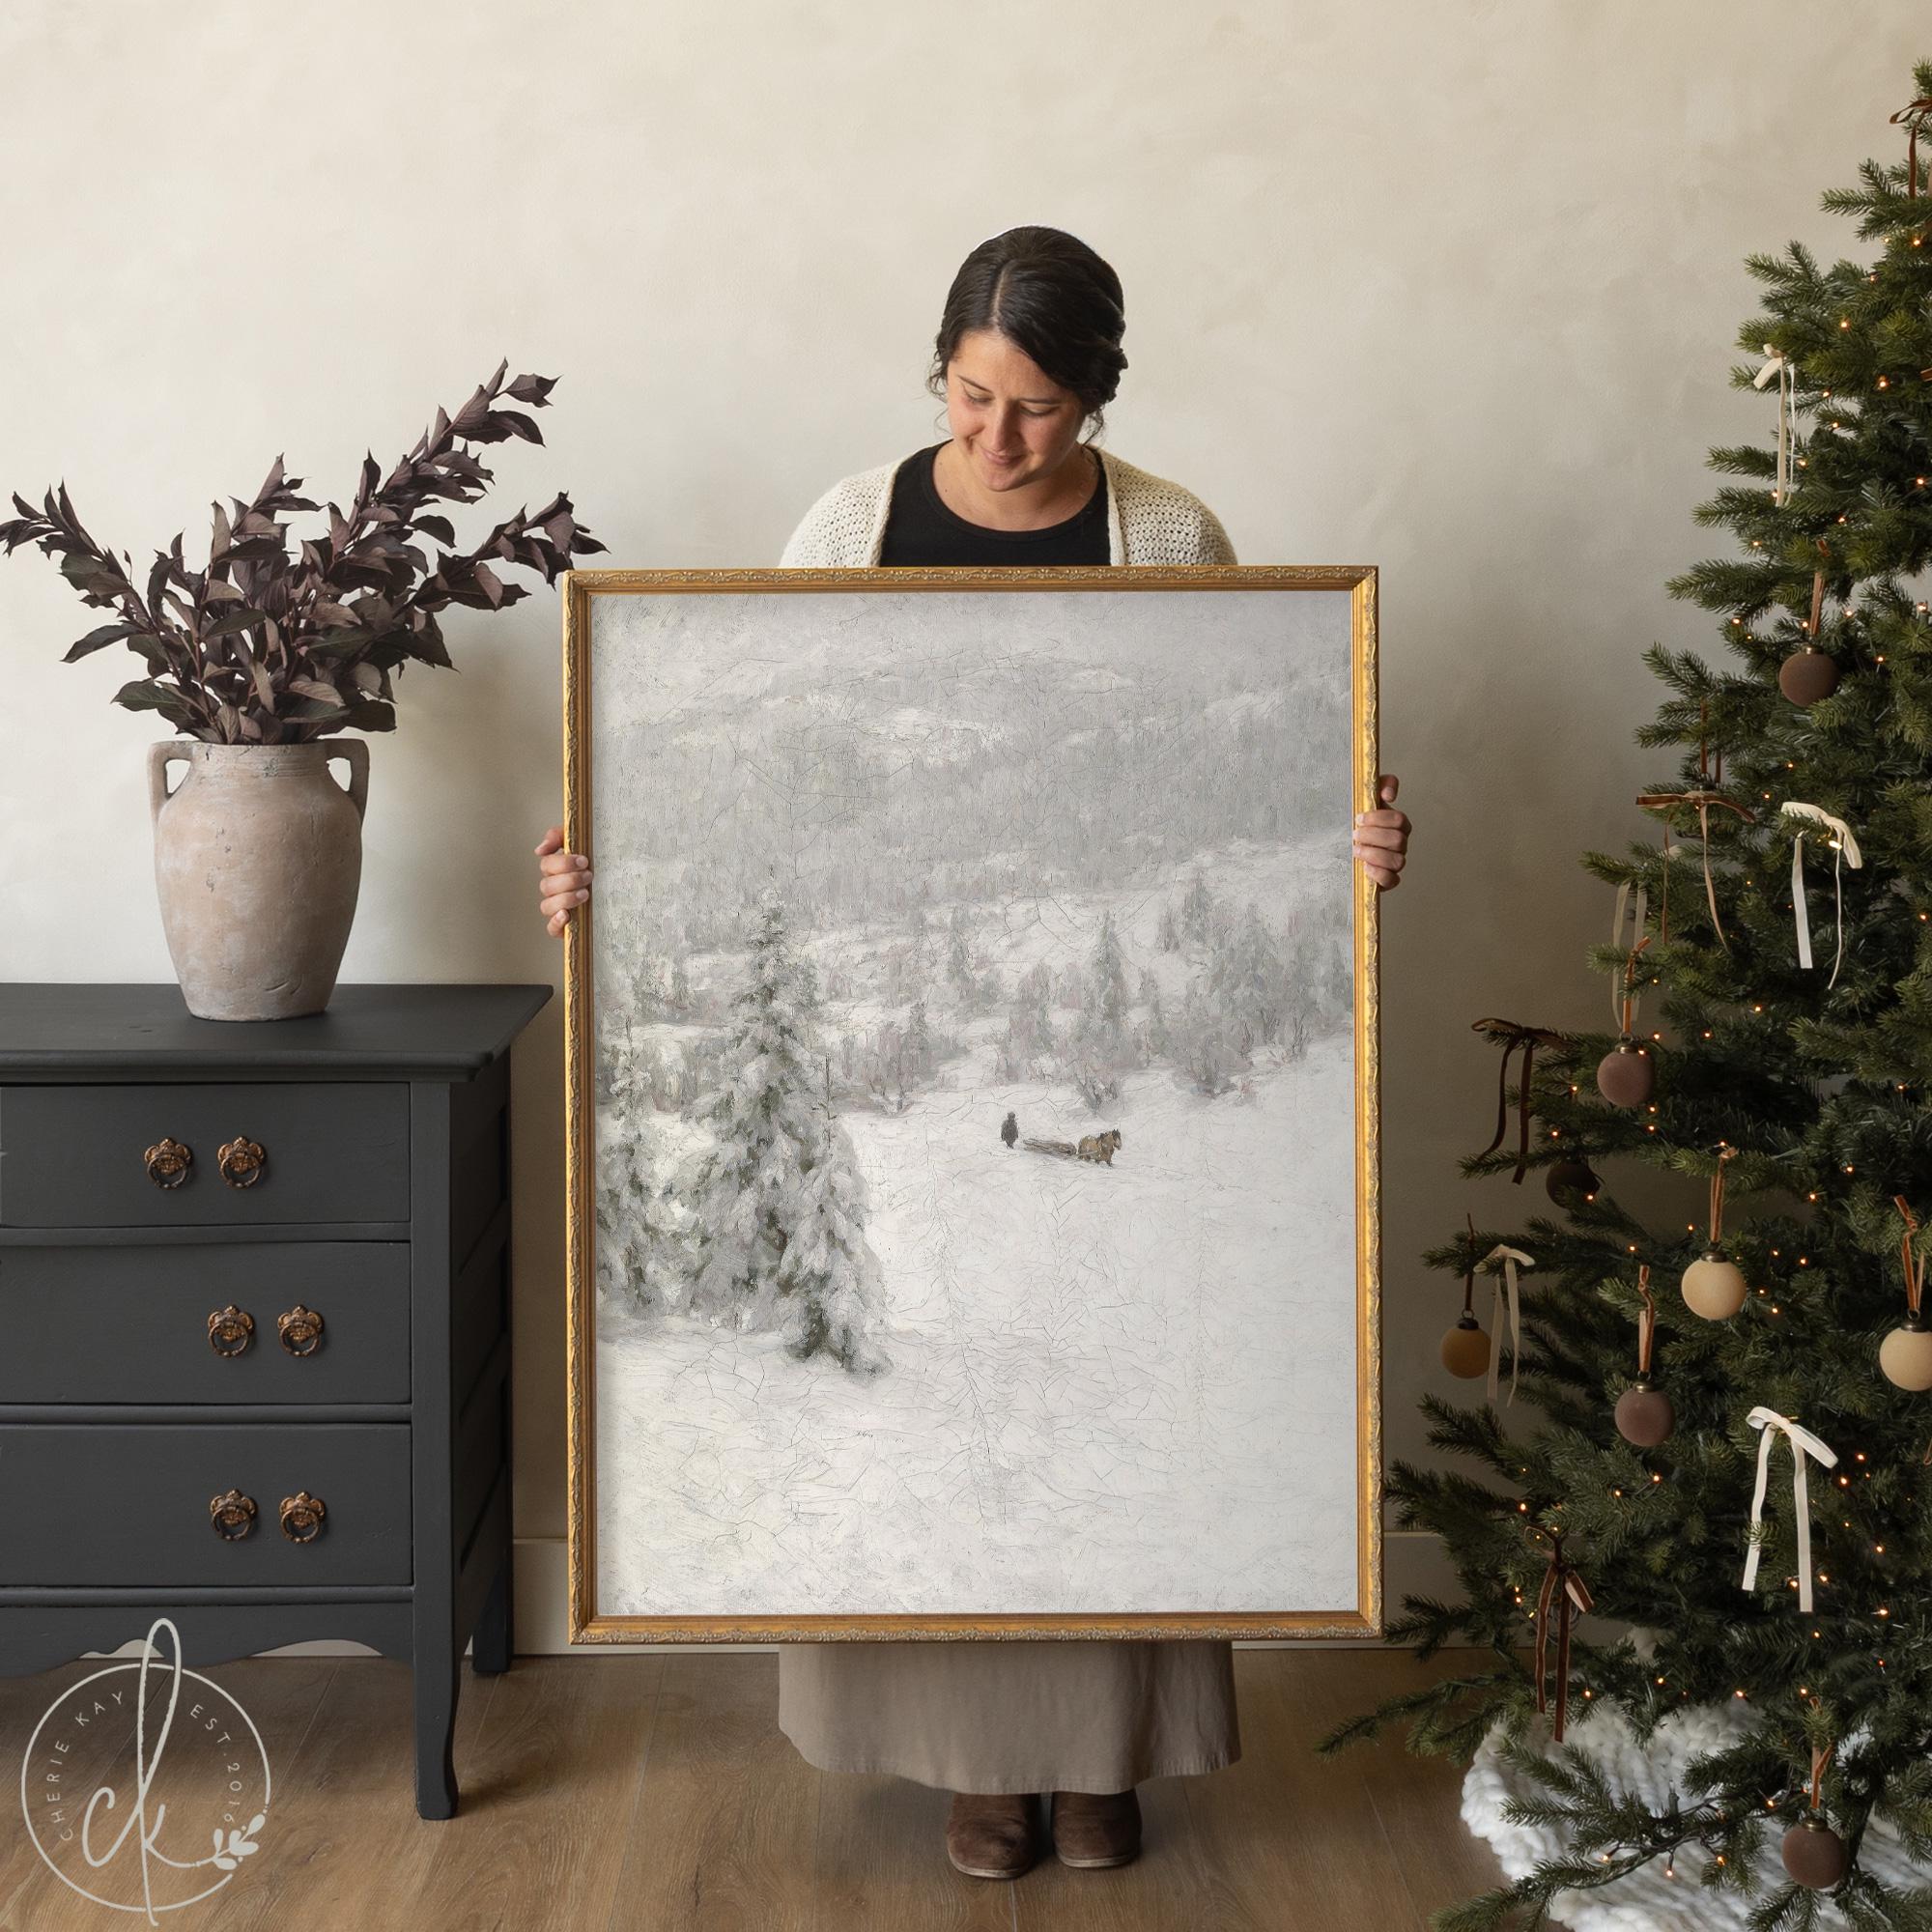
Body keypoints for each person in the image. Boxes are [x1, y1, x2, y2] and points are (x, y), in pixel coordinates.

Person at [535, 225, 1412, 1881]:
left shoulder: (1167, 535)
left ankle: (1104, 1764)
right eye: (969, 396)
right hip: (883, 1061)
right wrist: (602, 866)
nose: (997, 441)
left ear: (1098, 398)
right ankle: (966, 1765)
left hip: (1065, 1072)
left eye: (1038, 409)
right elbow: (737, 764)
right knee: (930, 1377)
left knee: (1109, 1355)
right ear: (939, 369)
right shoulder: (846, 527)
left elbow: (1260, 760)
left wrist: (1352, 844)